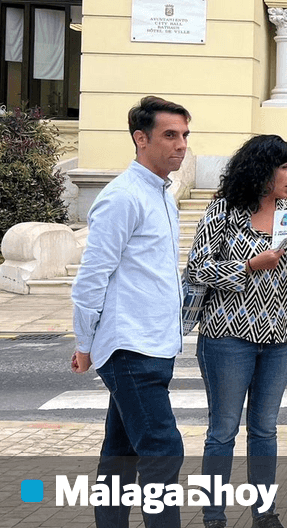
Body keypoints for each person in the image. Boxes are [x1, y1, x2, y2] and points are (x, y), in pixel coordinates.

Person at [70, 96, 191, 528]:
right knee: (163, 451)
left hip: (154, 344)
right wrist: (84, 343)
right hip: (130, 347)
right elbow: (91, 278)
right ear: (140, 138)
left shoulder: (160, 193)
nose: (180, 145)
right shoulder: (122, 197)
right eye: (169, 135)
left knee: (120, 454)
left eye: (184, 136)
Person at [186, 135, 287, 528]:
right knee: (223, 431)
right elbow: (197, 268)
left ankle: (265, 514)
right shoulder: (223, 211)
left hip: (281, 337)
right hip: (227, 337)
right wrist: (247, 266)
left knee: (265, 429)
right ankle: (214, 517)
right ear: (262, 170)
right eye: (285, 168)